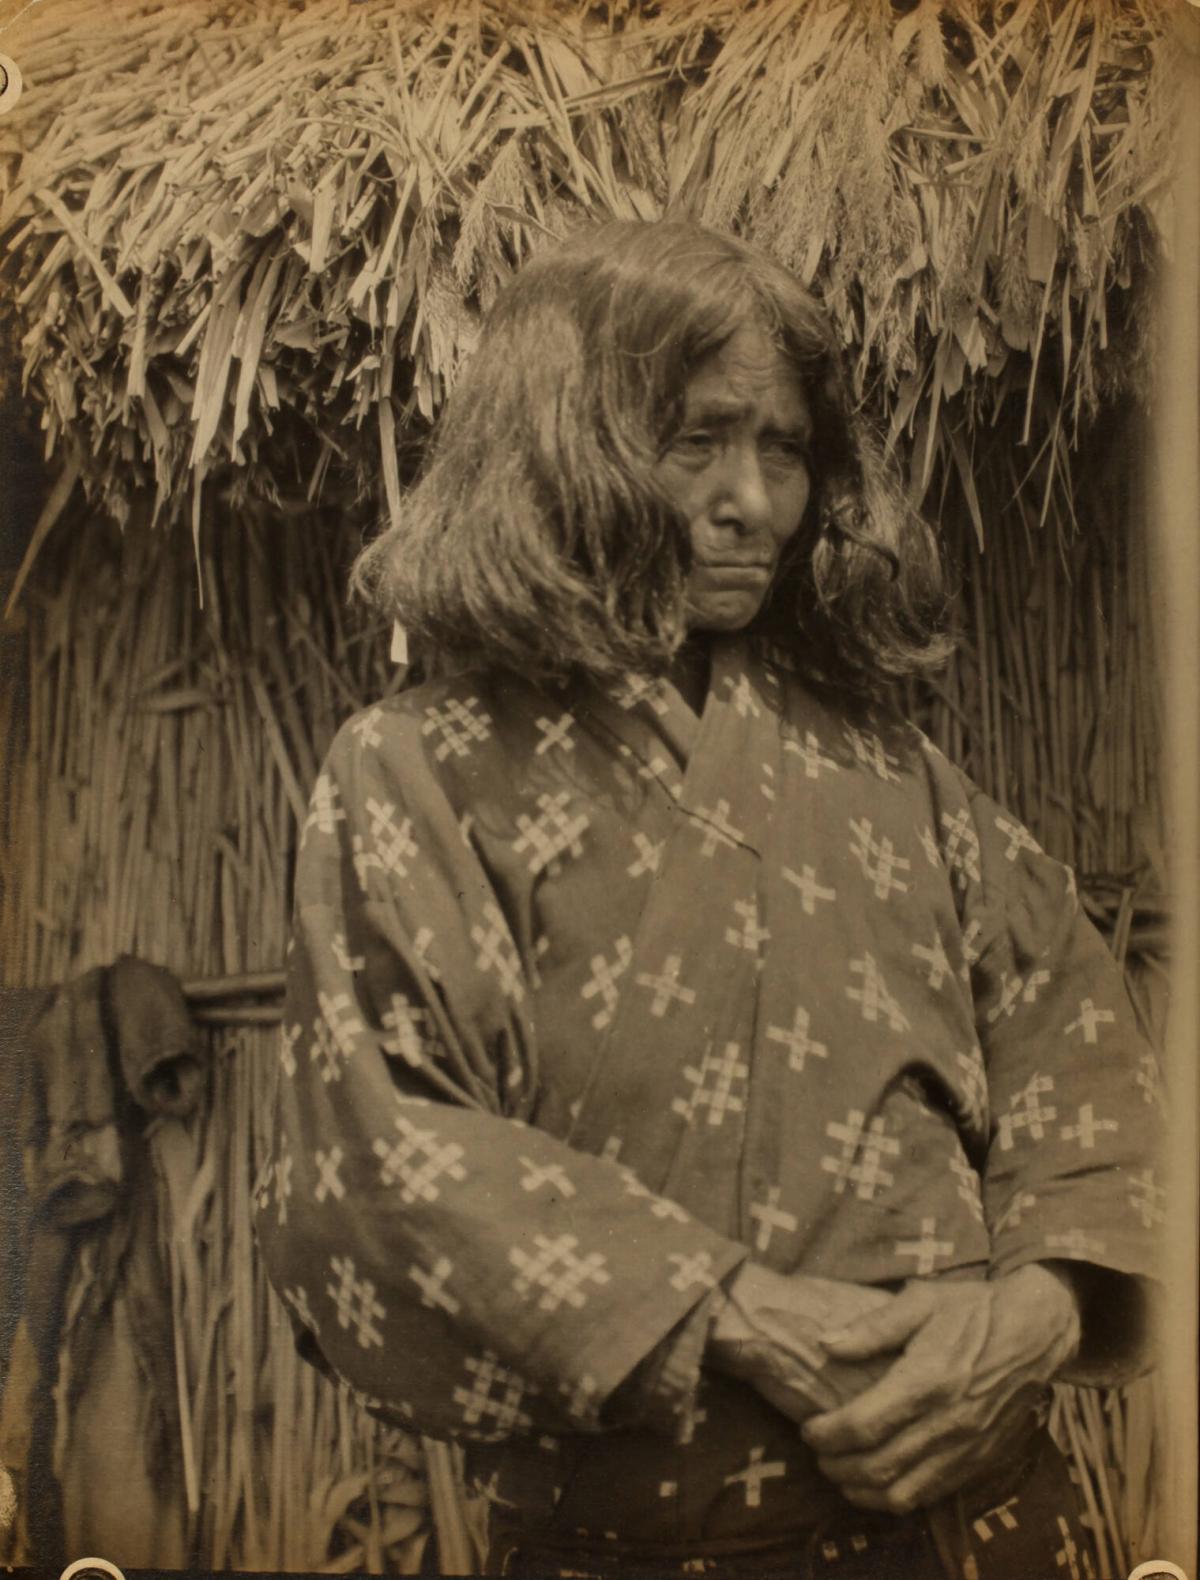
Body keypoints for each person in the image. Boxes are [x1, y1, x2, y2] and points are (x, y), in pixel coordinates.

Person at [254, 221, 1162, 1578]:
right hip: (635, 1544)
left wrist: (1035, 1310)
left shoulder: (891, 770)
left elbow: (1078, 1056)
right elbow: (389, 1151)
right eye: (697, 442)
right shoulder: (416, 773)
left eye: (786, 448)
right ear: (566, 447)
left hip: (985, 1525)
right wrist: (727, 1311)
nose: (756, 501)